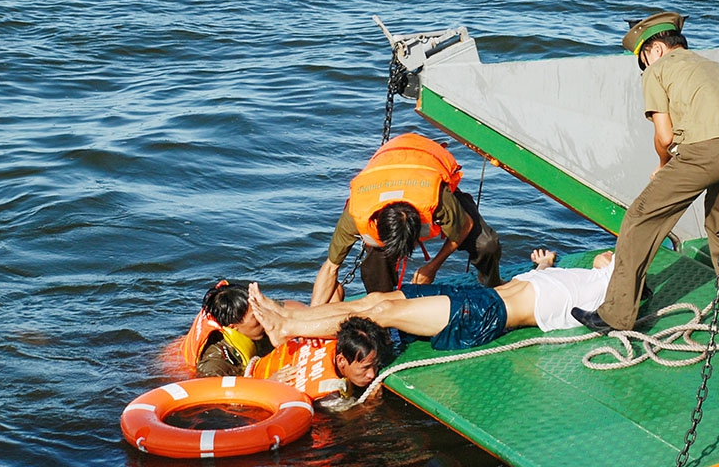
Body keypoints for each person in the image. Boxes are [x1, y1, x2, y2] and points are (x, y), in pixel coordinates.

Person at [570, 11, 719, 333]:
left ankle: (616, 315)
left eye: (644, 58)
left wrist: (663, 166)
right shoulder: (711, 66)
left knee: (640, 220)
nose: (645, 66)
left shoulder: (658, 70)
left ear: (655, 50)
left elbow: (666, 136)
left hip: (704, 152)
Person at [250, 249, 615, 351]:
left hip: (487, 314)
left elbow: (607, 266)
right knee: (375, 297)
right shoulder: (600, 274)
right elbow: (603, 259)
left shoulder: (611, 293)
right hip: (482, 295)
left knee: (385, 312)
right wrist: (546, 266)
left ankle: (288, 327)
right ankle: (290, 318)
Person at [311, 132, 503, 306]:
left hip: (427, 167)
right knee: (374, 265)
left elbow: (465, 225)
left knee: (487, 243)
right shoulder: (356, 213)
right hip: (385, 172)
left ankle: (492, 287)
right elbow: (330, 268)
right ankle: (383, 307)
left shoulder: (436, 199)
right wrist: (311, 317)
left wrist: (432, 267)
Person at [180, 281, 275, 378]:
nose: (264, 317)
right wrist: (270, 382)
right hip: (176, 362)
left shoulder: (257, 330)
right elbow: (209, 389)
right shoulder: (216, 362)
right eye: (255, 316)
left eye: (261, 309)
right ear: (233, 326)